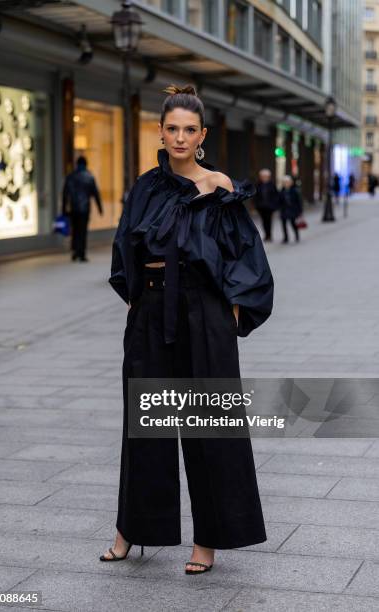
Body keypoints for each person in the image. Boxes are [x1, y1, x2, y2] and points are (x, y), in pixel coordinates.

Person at [102, 84, 274, 575]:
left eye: (189, 130)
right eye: (171, 128)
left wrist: (230, 315)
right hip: (151, 315)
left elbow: (247, 255)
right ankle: (130, 531)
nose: (179, 137)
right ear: (160, 132)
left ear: (202, 135)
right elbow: (123, 253)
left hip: (204, 315)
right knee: (143, 428)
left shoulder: (218, 186)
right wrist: (139, 306)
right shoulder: (145, 187)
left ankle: (208, 541)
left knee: (209, 430)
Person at [62, 156, 103, 262]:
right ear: (86, 164)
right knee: (83, 231)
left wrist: (64, 208)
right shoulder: (89, 177)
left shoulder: (70, 176)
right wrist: (100, 208)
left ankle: (75, 251)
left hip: (74, 208)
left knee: (75, 230)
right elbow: (95, 194)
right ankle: (82, 253)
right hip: (84, 209)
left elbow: (65, 194)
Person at [253, 169, 280, 242]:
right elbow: (255, 195)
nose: (264, 177)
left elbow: (276, 195)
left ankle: (269, 235)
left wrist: (275, 205)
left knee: (269, 221)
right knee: (263, 221)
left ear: (269, 177)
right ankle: (266, 235)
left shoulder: (272, 184)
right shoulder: (258, 185)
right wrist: (256, 204)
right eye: (263, 176)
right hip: (261, 206)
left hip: (270, 206)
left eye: (266, 176)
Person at [279, 174, 302, 243]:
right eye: (285, 182)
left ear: (291, 183)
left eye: (287, 182)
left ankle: (296, 235)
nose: (286, 184)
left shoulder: (295, 191)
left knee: (293, 223)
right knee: (283, 224)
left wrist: (300, 211)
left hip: (293, 210)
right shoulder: (281, 191)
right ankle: (286, 237)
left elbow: (299, 202)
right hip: (284, 210)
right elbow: (279, 200)